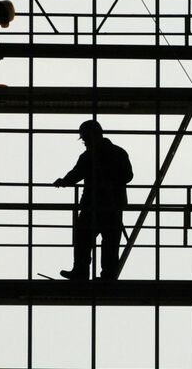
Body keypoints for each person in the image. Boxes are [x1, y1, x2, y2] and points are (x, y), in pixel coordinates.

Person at [53, 120, 134, 280]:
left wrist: (64, 181)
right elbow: (128, 175)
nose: (84, 142)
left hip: (95, 205)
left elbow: (77, 173)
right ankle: (107, 276)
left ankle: (81, 272)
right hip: (111, 205)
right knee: (108, 242)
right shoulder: (117, 152)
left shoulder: (90, 155)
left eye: (84, 138)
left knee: (84, 237)